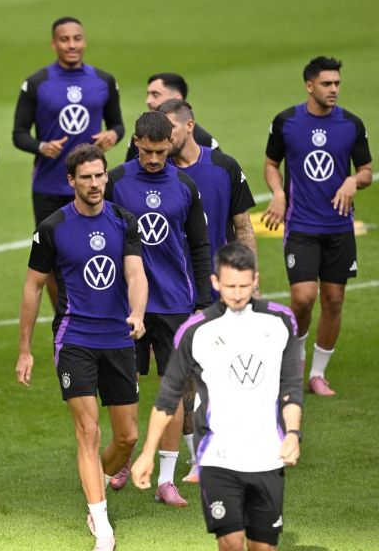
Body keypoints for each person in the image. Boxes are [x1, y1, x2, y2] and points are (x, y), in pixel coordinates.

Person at [16, 144, 148, 551]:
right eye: (86, 177)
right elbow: (33, 287)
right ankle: (102, 523)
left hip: (118, 338)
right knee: (88, 431)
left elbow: (135, 273)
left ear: (107, 176)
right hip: (74, 339)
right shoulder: (53, 227)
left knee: (126, 438)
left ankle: (97, 486)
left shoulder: (123, 221)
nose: (94, 184)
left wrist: (138, 313)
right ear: (71, 181)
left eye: (99, 176)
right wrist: (25, 349)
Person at [132, 243, 303, 551]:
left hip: (266, 453)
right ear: (215, 283)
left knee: (263, 547)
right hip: (217, 455)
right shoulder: (196, 330)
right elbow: (168, 396)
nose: (237, 294)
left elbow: (291, 387)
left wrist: (292, 433)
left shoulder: (280, 323)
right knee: (232, 543)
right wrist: (147, 453)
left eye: (243, 286)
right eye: (229, 286)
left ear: (255, 281)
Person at [104, 111, 211, 506]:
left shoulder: (184, 185)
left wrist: (202, 301)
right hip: (125, 304)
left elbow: (200, 245)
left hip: (174, 303)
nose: (153, 159)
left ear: (171, 143)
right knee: (123, 387)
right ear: (135, 143)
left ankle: (166, 480)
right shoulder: (114, 181)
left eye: (160, 151)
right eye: (147, 151)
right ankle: (122, 459)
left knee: (174, 389)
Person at [159, 98, 258, 484]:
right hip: (171, 289)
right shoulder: (157, 171)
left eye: (169, 129)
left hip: (219, 286)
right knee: (185, 378)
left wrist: (249, 282)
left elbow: (244, 228)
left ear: (189, 126)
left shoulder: (223, 167)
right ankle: (200, 456)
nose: (163, 138)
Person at [261, 56, 372, 396]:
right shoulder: (287, 122)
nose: (334, 89)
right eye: (327, 84)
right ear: (310, 85)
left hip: (338, 227)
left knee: (334, 299)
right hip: (302, 224)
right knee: (303, 297)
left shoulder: (351, 125)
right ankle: (294, 359)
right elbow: (270, 163)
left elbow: (366, 169)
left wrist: (354, 181)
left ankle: (317, 374)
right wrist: (278, 194)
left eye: (337, 83)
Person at [13, 16, 125, 308]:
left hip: (95, 184)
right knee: (50, 262)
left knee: (105, 251)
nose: (72, 45)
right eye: (64, 39)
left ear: (84, 41)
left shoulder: (104, 81)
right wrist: (41, 146)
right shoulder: (36, 83)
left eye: (77, 38)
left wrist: (112, 134)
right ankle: (65, 317)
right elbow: (19, 134)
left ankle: (103, 312)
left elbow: (118, 125)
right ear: (53, 43)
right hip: (50, 187)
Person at [125, 72, 221, 161]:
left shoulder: (204, 141)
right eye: (148, 94)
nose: (148, 101)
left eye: (155, 95)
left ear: (177, 99)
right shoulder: (141, 137)